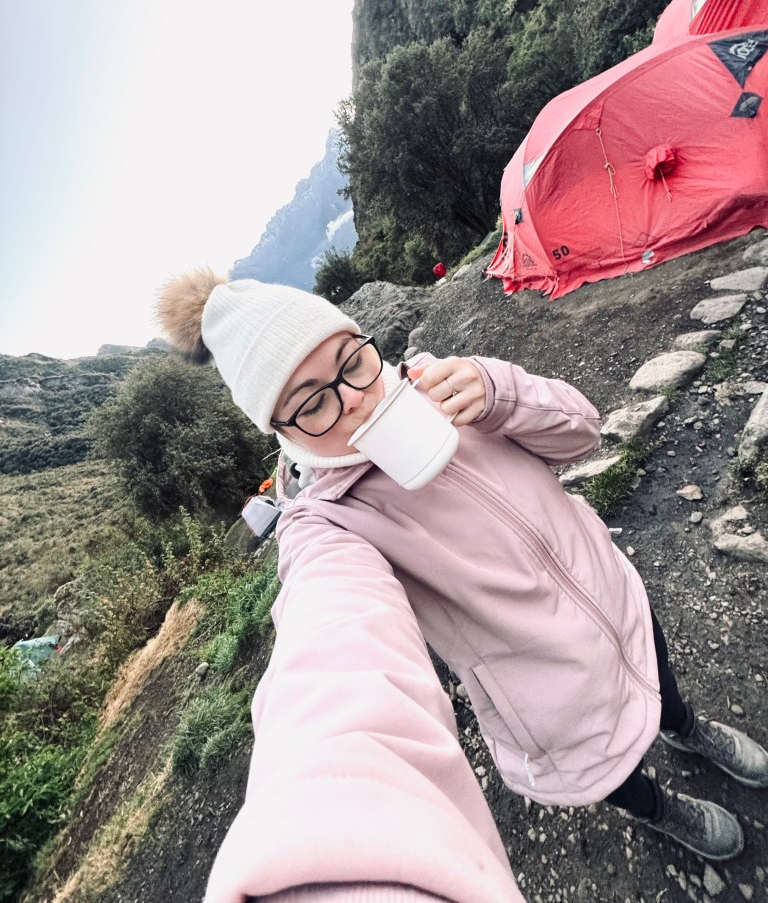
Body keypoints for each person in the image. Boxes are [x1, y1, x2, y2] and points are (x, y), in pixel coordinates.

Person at [156, 270, 768, 903]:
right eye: (312, 403)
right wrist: (323, 814)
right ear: (281, 430)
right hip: (547, 695)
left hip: (612, 591)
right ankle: (660, 811)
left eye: (351, 361)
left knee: (660, 679)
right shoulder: (326, 524)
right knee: (609, 771)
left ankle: (686, 729)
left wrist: (500, 392)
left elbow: (583, 431)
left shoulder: (440, 383)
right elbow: (332, 644)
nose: (356, 399)